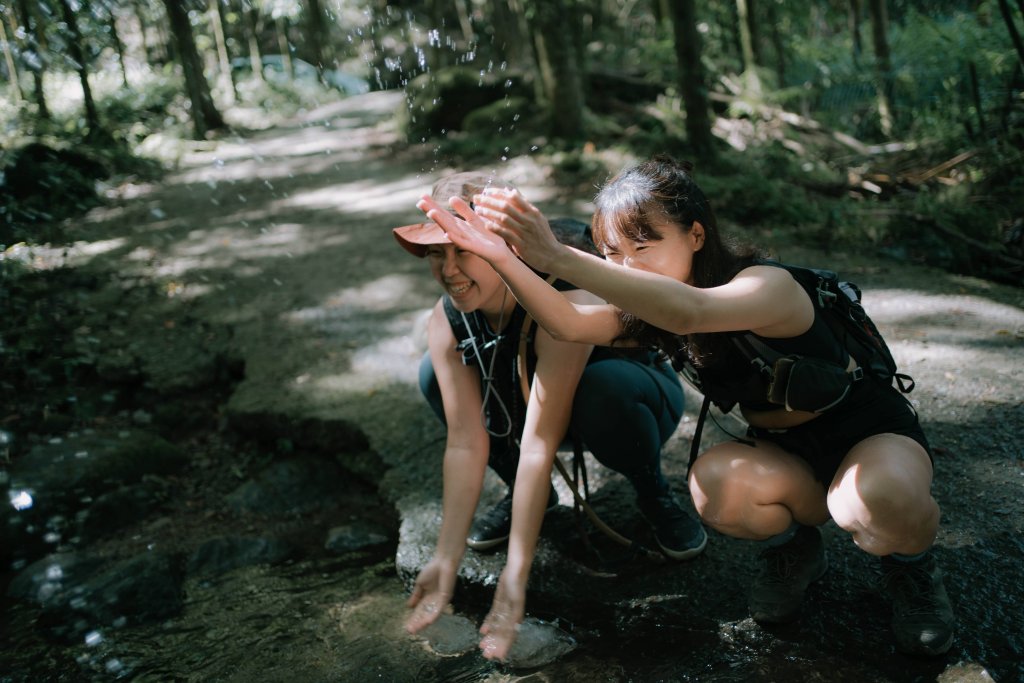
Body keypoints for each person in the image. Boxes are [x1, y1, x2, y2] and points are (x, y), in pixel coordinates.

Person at [420, 156, 956, 657]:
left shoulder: (767, 286)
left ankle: (911, 567)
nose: (626, 267)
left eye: (642, 246)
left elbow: (689, 312)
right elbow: (566, 320)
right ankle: (797, 550)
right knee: (715, 491)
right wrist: (499, 257)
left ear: (696, 234)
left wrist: (556, 255)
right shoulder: (651, 305)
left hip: (871, 437)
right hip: (790, 453)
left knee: (868, 504)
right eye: (612, 254)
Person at [396, 171, 706, 661]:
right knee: (432, 377)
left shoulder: (565, 293)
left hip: (629, 404)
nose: (450, 270)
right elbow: (463, 442)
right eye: (438, 252)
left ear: (505, 247)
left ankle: (653, 491)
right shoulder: (447, 317)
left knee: (602, 389)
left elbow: (541, 441)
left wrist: (515, 576)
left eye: (465, 250)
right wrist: (444, 558)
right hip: (522, 404)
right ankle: (531, 502)